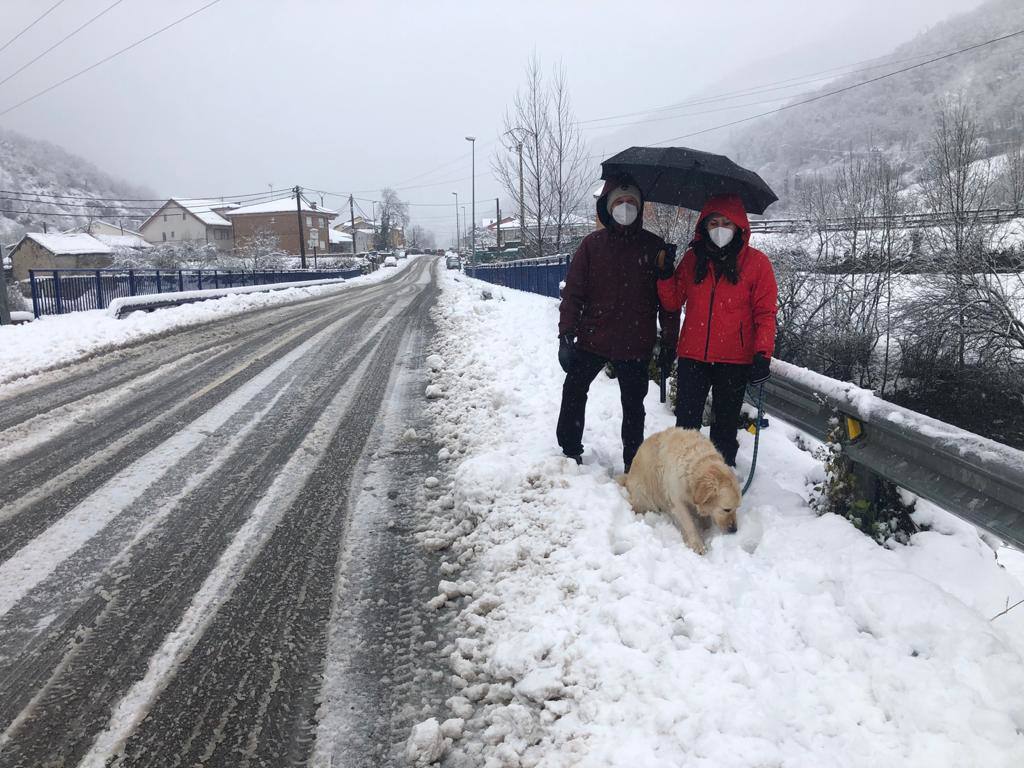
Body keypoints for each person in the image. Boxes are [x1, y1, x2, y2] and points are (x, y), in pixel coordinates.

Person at [556, 177, 679, 471]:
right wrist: (565, 335)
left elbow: (669, 302)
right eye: (619, 203)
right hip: (593, 337)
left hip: (636, 342)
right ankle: (570, 448)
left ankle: (633, 464)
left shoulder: (654, 247)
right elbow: (573, 293)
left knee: (634, 406)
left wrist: (670, 342)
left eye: (631, 203)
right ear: (608, 208)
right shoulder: (592, 245)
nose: (625, 208)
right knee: (574, 390)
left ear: (640, 207)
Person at [656, 194, 778, 467]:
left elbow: (765, 313)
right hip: (693, 356)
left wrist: (762, 353)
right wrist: (665, 275)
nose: (720, 229)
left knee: (724, 430)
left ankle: (720, 483)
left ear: (739, 227)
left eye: (727, 222)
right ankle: (682, 477)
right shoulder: (692, 260)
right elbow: (673, 301)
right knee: (686, 427)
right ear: (704, 227)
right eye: (713, 223)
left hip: (734, 360)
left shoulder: (757, 264)